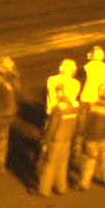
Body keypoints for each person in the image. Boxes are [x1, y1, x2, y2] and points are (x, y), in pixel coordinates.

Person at [36, 59, 82, 197]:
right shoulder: (76, 84)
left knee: (49, 160)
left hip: (55, 119)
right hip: (68, 125)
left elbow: (51, 129)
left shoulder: (52, 80)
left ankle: (44, 189)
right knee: (63, 160)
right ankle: (61, 186)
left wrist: (45, 141)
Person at [75, 93, 105, 189]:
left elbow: (86, 123)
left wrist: (82, 135)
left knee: (89, 161)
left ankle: (84, 183)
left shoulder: (92, 108)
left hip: (92, 139)